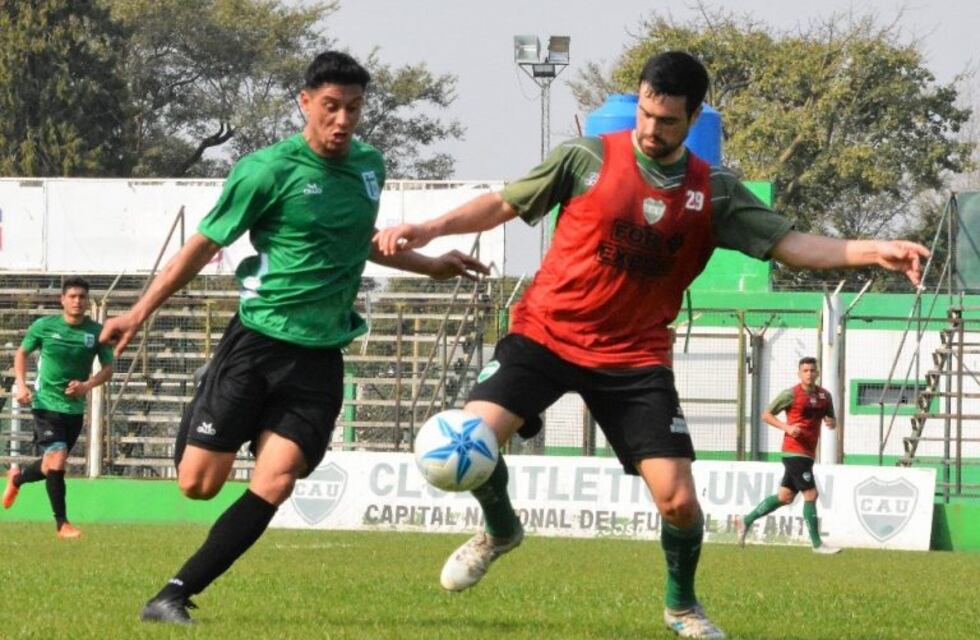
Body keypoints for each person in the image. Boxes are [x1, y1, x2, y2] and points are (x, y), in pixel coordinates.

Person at [375, 51, 929, 640]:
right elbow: (505, 202)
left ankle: (681, 606)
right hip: (546, 334)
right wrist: (427, 228)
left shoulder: (714, 191)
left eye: (666, 121)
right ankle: (501, 528)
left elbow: (791, 244)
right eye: (644, 113)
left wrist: (874, 250)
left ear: (692, 119)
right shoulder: (587, 157)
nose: (650, 129)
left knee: (679, 503)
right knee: (469, 438)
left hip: (633, 358)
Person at [99, 51, 488, 625]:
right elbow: (203, 245)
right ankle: (210, 391)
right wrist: (138, 313)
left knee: (276, 481)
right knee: (197, 486)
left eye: (353, 108)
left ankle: (172, 596)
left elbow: (356, 241)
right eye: (330, 106)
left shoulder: (369, 167)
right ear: (305, 102)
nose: (342, 120)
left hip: (321, 355)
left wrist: (431, 266)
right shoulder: (266, 170)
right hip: (257, 344)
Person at [3, 277, 114, 538]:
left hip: (73, 409)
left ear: (87, 301)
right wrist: (21, 385)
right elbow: (21, 353)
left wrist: (87, 385)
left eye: (82, 297)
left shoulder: (96, 332)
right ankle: (62, 524)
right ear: (62, 300)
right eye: (72, 296)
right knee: (58, 456)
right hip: (45, 403)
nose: (77, 301)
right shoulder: (44, 326)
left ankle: (16, 478)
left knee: (49, 465)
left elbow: (109, 368)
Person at [737, 357, 840, 554]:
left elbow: (831, 419)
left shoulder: (825, 396)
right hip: (793, 451)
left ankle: (745, 520)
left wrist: (832, 423)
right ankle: (817, 544)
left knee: (785, 497)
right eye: (805, 371)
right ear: (799, 373)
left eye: (812, 370)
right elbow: (766, 415)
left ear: (817, 373)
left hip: (809, 452)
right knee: (811, 494)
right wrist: (787, 427)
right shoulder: (790, 394)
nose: (809, 374)